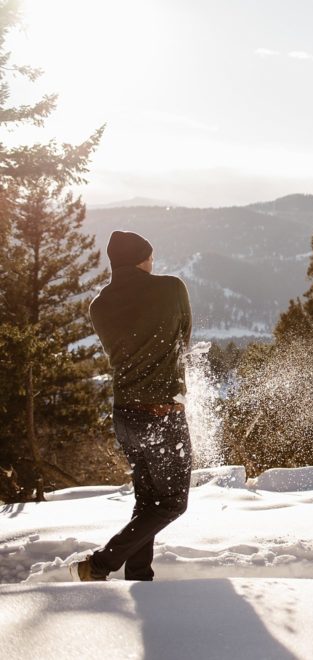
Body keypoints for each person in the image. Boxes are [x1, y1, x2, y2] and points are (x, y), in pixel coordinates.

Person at [71, 230, 193, 581]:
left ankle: (139, 577)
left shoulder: (99, 304)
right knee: (172, 504)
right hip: (162, 416)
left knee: (148, 504)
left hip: (125, 416)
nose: (153, 263)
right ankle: (98, 565)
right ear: (141, 259)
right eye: (150, 257)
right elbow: (183, 340)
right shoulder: (171, 288)